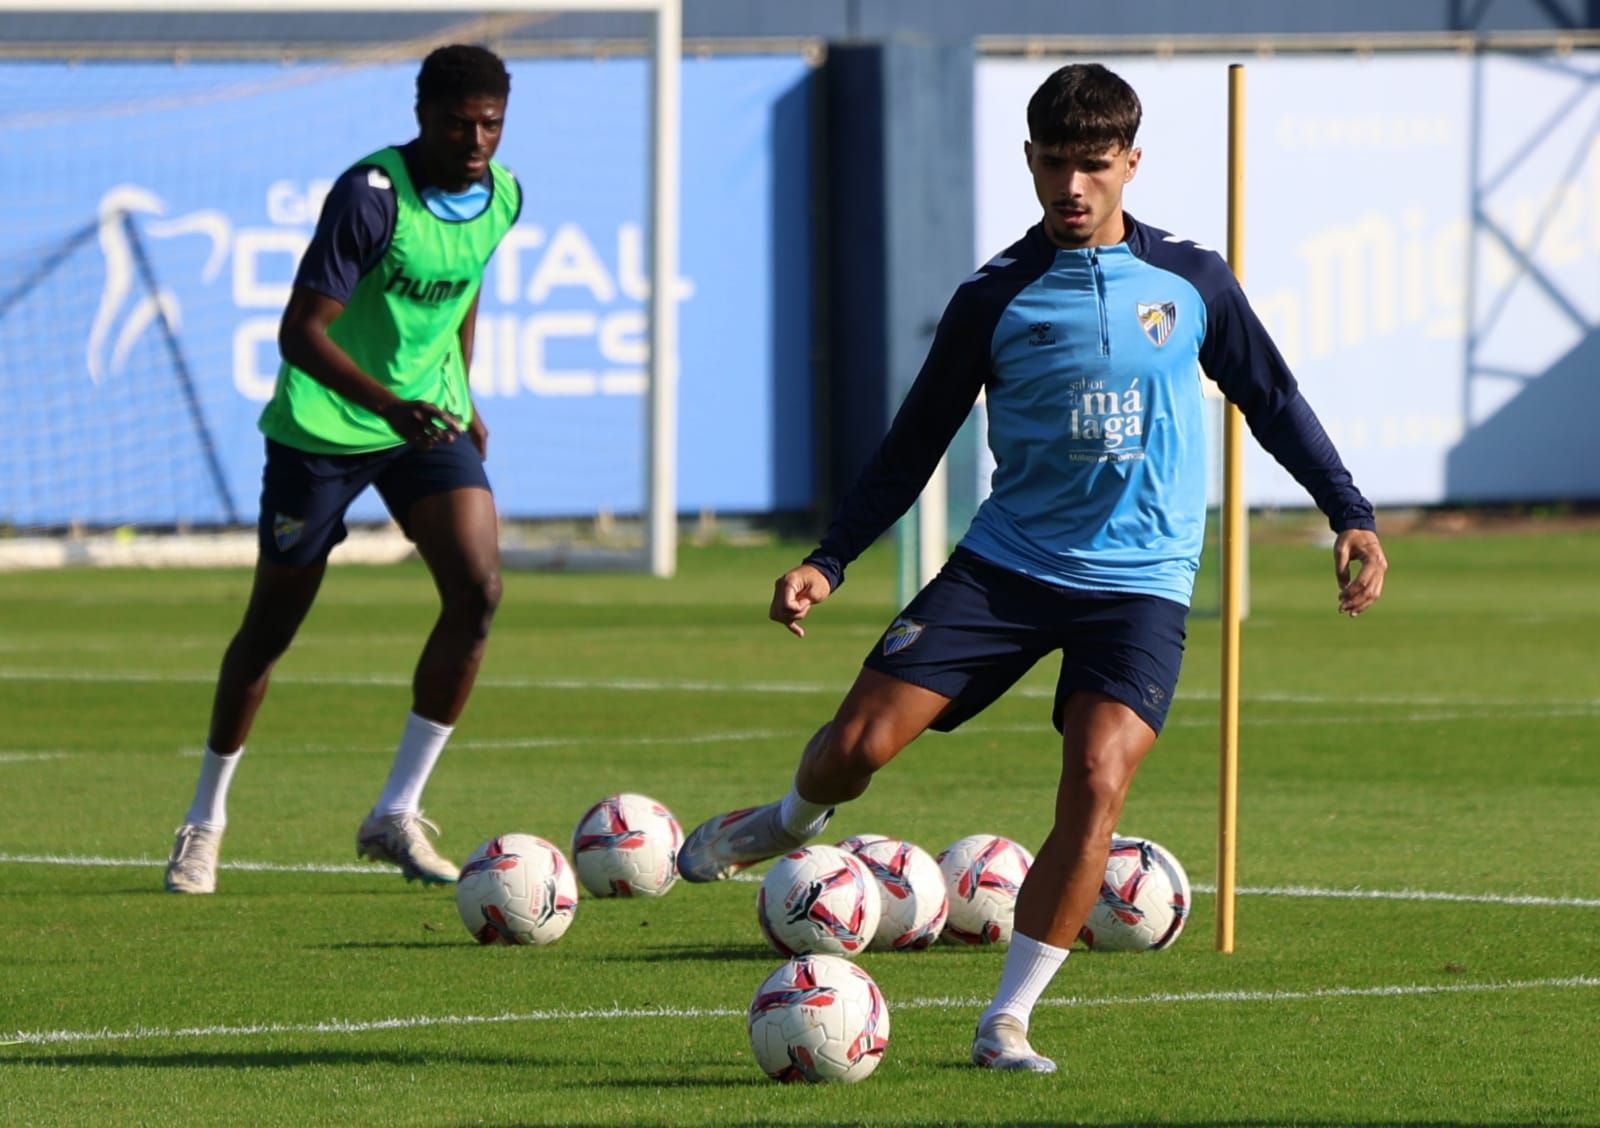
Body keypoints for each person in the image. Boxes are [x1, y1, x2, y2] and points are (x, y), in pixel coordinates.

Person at [676, 63, 1388, 1071]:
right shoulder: (995, 297)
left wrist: (1347, 515)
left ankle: (1005, 1019)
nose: (1071, 187)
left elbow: (1271, 399)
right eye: (1054, 164)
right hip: (1005, 568)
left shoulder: (1192, 282)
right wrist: (827, 561)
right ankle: (787, 818)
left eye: (1093, 166)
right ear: (1028, 160)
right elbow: (910, 446)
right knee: (859, 748)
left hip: (1139, 584)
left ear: (1130, 163)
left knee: (1096, 781)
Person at [163, 44, 522, 895]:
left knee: (479, 592)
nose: (475, 140)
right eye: (458, 123)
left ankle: (395, 812)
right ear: (421, 116)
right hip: (323, 428)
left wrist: (459, 393)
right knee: (271, 629)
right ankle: (203, 821)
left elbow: (464, 289)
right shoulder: (371, 197)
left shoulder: (503, 195)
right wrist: (388, 405)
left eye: (491, 124)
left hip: (424, 422)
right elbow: (301, 333)